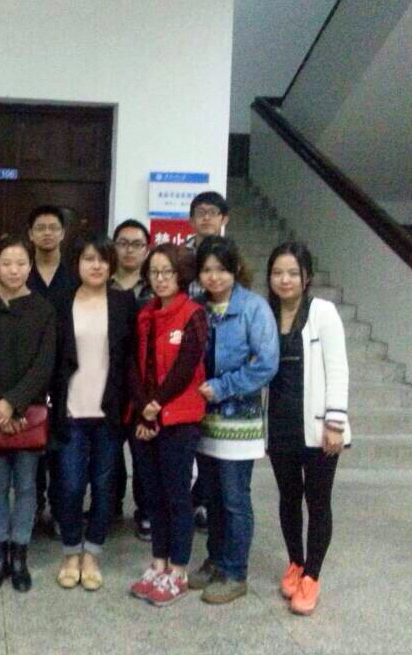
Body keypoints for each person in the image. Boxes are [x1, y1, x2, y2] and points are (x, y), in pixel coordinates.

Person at [187, 236, 278, 605]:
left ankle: (235, 571)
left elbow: (266, 363)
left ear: (235, 269)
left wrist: (223, 387)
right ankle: (215, 560)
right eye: (207, 270)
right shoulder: (198, 308)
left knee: (234, 498)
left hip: (239, 422)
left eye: (222, 269)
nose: (214, 277)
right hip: (203, 419)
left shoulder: (254, 308)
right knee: (211, 495)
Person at [0, 235, 56, 592]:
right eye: (6, 263)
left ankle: (20, 554)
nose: (13, 270)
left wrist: (14, 403)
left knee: (27, 486)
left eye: (20, 263)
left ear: (30, 267)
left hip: (27, 414)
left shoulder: (43, 309)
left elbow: (44, 364)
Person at [266, 241, 350, 616]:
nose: (284, 280)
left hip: (318, 428)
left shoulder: (322, 312)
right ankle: (295, 562)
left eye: (292, 273)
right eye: (277, 272)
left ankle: (312, 576)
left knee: (317, 501)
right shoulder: (266, 313)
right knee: (288, 497)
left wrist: (335, 422)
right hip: (280, 424)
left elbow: (338, 368)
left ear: (306, 277)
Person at [52, 235, 136, 592]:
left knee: (104, 488)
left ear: (111, 264)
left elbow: (130, 357)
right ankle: (71, 551)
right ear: (77, 263)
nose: (96, 265)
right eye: (89, 258)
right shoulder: (62, 301)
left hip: (108, 413)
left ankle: (92, 554)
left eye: (102, 259)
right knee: (70, 485)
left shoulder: (123, 302)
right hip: (70, 410)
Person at [128, 244, 208, 607]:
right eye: (155, 272)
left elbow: (185, 368)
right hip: (145, 416)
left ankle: (178, 570)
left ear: (181, 275)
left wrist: (155, 407)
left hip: (178, 417)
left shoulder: (193, 314)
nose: (160, 279)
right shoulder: (144, 313)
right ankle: (158, 563)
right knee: (153, 495)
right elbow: (134, 364)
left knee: (177, 497)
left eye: (168, 272)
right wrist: (142, 409)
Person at [26, 205, 75, 535]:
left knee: (60, 444)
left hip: (66, 374)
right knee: (30, 444)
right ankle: (33, 507)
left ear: (62, 233)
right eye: (40, 227)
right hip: (27, 373)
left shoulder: (74, 276)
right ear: (30, 234)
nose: (47, 233)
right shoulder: (21, 273)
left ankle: (60, 510)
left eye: (53, 227)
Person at [184, 191, 229, 530]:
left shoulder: (231, 257)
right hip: (185, 355)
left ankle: (204, 502)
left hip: (220, 361)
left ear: (223, 219)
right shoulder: (181, 258)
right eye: (200, 212)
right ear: (191, 219)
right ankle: (185, 502)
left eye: (213, 212)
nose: (206, 218)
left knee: (213, 444)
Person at [111, 218, 155, 541]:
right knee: (109, 453)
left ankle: (146, 511)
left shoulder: (155, 287)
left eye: (136, 244)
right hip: (110, 381)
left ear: (147, 249)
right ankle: (109, 507)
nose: (129, 250)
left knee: (144, 454)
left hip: (145, 383)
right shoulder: (101, 282)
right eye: (123, 243)